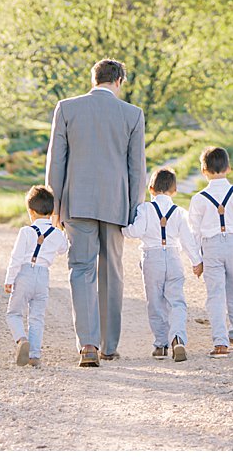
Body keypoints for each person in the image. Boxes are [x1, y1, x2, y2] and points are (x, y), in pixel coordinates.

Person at [45, 58, 146, 367]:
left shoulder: (67, 108)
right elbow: (137, 168)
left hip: (77, 202)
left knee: (81, 269)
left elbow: (56, 162)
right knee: (111, 273)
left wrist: (55, 205)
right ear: (119, 82)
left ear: (94, 79)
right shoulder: (132, 114)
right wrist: (134, 210)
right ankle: (108, 345)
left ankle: (87, 344)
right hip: (116, 203)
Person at [187, 146, 233, 358]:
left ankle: (220, 342)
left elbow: (193, 233)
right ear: (228, 168)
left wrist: (196, 260)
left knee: (215, 295)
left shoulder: (198, 199)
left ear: (203, 170)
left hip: (211, 247)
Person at [123, 167, 198, 361]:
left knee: (155, 302)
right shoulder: (180, 212)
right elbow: (188, 240)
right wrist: (196, 261)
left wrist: (124, 230)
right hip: (173, 257)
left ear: (151, 188)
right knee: (177, 301)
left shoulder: (145, 208)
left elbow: (137, 231)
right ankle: (178, 338)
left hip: (152, 258)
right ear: (174, 191)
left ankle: (161, 344)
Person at [3, 184, 69, 368]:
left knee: (14, 313)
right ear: (52, 211)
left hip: (24, 273)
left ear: (31, 212)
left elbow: (15, 258)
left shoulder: (25, 232)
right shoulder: (56, 234)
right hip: (43, 277)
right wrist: (58, 227)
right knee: (37, 317)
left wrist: (9, 280)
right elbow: (64, 250)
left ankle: (21, 340)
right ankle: (34, 355)